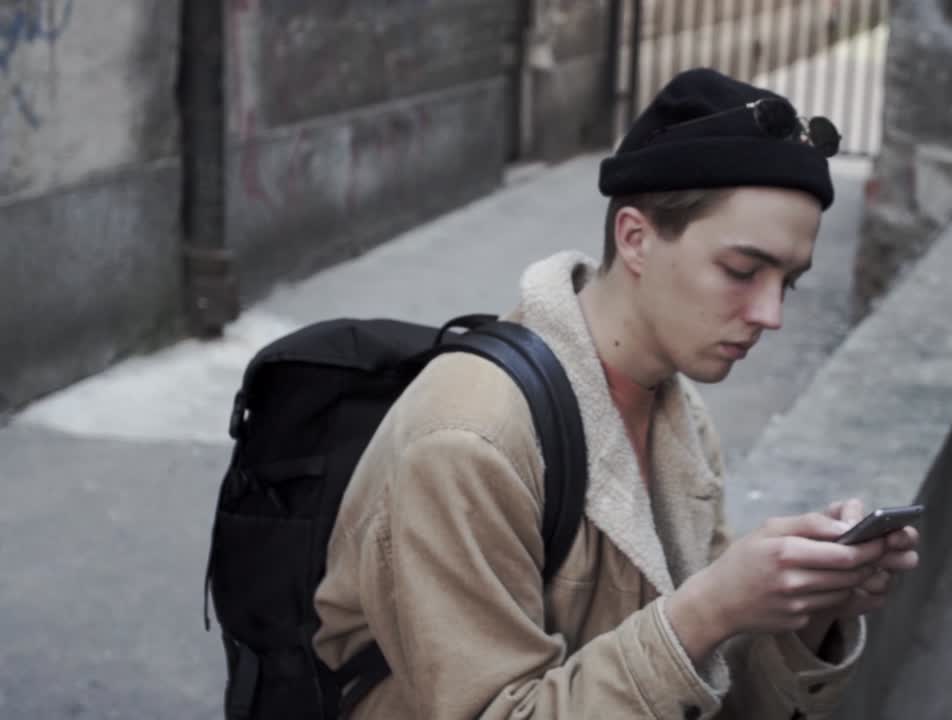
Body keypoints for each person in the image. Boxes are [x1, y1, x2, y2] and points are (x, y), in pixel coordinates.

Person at [313, 67, 920, 719]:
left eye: (788, 282)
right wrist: (709, 608)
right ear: (635, 238)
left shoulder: (678, 415)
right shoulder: (469, 438)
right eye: (742, 270)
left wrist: (808, 607)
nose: (771, 314)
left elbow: (702, 689)